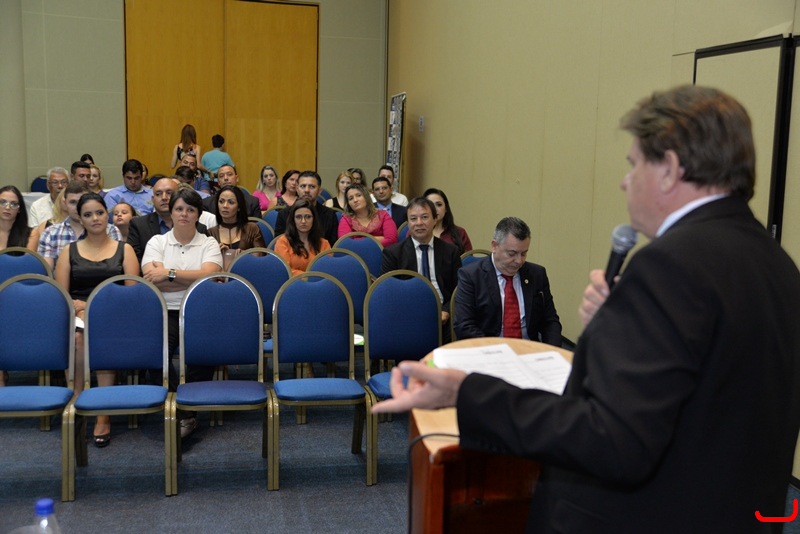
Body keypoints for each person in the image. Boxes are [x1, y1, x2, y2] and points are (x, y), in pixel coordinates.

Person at [372, 85, 800, 533]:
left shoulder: (669, 266)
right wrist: (618, 328)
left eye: (634, 164)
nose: (625, 181)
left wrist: (467, 393)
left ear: (670, 169)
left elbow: (612, 438)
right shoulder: (776, 263)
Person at [54, 193, 139, 446]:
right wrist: (80, 310)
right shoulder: (69, 251)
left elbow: (131, 296)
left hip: (115, 313)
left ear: (107, 215)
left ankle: (103, 413)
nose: (95, 219)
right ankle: (78, 403)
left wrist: (91, 307)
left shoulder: (125, 249)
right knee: (78, 338)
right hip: (77, 314)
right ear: (80, 218)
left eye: (100, 213)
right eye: (88, 215)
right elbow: (62, 296)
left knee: (101, 337)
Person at [141, 187, 222, 439]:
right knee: (155, 354)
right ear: (171, 212)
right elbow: (151, 280)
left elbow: (210, 278)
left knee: (203, 353)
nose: (184, 214)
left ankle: (187, 412)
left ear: (198, 214)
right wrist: (191, 279)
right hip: (165, 310)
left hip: (199, 311)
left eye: (190, 209)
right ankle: (181, 410)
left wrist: (169, 273)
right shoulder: (157, 242)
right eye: (179, 209)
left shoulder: (209, 243)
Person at [454, 217, 561, 344]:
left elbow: (550, 320)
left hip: (528, 348)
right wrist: (497, 351)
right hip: (489, 349)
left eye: (523, 253)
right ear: (494, 246)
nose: (519, 261)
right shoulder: (471, 276)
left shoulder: (537, 274)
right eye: (512, 254)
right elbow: (464, 325)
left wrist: (552, 350)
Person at [380, 197, 461, 344]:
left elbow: (458, 289)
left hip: (443, 315)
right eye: (413, 219)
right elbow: (387, 293)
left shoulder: (451, 252)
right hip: (407, 315)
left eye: (424, 217)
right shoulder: (393, 254)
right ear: (408, 223)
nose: (419, 223)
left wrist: (446, 311)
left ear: (435, 220)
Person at [38, 181, 122, 269]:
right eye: (73, 202)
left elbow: (117, 267)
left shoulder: (111, 230)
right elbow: (47, 271)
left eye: (82, 201)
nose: (78, 207)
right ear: (65, 204)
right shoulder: (50, 233)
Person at [128, 178, 209, 265]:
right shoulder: (138, 225)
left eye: (169, 193)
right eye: (158, 194)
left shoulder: (198, 227)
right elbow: (134, 262)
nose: (164, 198)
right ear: (153, 199)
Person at [206, 185, 265, 268]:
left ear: (239, 207)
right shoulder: (210, 232)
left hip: (247, 272)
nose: (225, 206)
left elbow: (262, 257)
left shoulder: (252, 228)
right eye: (221, 201)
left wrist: (243, 254)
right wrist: (216, 253)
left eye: (231, 202)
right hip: (220, 274)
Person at [274, 171, 339, 246]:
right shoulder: (284, 214)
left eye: (312, 187)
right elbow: (279, 244)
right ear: (297, 189)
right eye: (303, 186)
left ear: (319, 191)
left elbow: (332, 247)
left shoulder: (330, 215)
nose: (307, 190)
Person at [274, 198, 331, 276]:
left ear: (314, 219)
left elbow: (326, 271)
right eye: (298, 217)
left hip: (318, 283)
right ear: (293, 220)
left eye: (308, 217)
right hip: (292, 283)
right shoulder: (283, 242)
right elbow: (285, 271)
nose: (303, 221)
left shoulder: (324, 244)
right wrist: (309, 277)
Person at [424, 188, 472, 254]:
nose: (435, 209)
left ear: (446, 208)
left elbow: (469, 258)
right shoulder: (416, 232)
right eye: (430, 205)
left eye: (438, 205)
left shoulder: (460, 232)